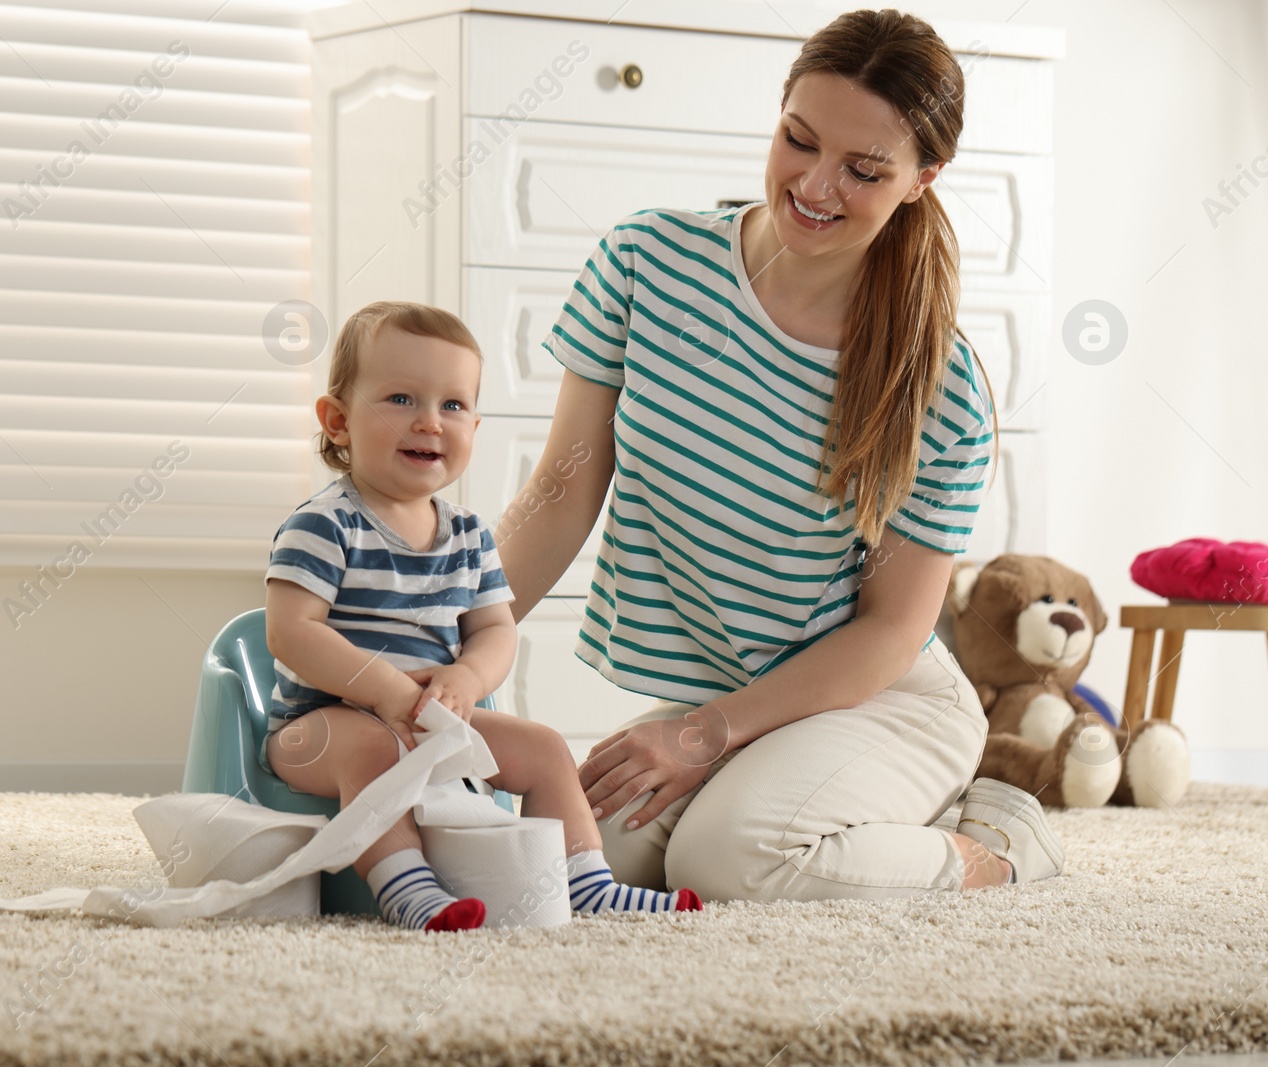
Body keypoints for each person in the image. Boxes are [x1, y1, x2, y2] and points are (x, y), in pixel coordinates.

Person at [495, 9, 1066, 904]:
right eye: (799, 140)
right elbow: (562, 491)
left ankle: (994, 841)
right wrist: (448, 642)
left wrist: (702, 737)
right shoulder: (647, 261)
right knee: (553, 860)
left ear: (924, 180)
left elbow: (889, 630)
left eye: (864, 169)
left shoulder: (943, 386)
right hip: (740, 698)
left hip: (882, 698)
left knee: (728, 862)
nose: (815, 183)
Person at [261, 300, 703, 932]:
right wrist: (384, 691)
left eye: (452, 406)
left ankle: (586, 883)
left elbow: (495, 629)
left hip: (431, 721)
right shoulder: (324, 524)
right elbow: (291, 632)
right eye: (400, 399)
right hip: (318, 731)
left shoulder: (467, 535)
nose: (430, 423)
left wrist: (467, 679)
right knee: (369, 748)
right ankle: (407, 889)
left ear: (475, 423)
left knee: (548, 750)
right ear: (338, 421)